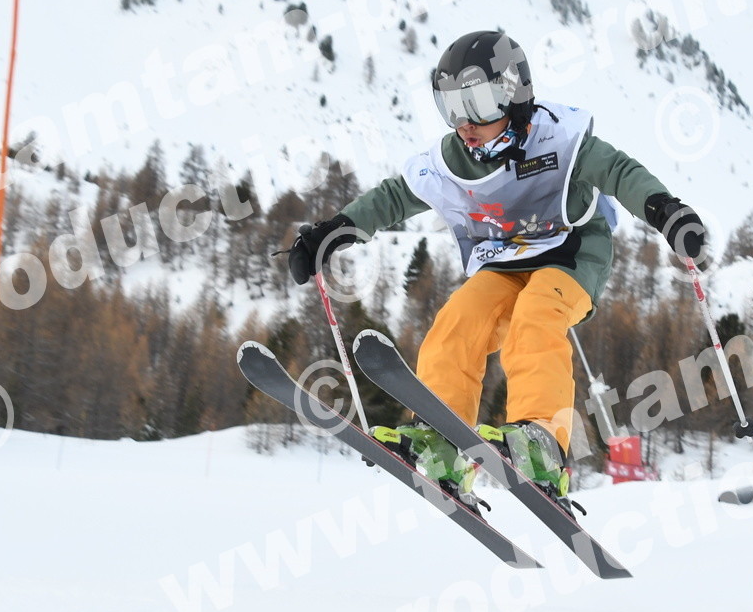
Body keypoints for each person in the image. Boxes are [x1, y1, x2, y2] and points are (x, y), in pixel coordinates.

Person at [287, 30, 706, 508]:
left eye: (479, 104)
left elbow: (618, 171)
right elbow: (395, 197)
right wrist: (334, 232)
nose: (465, 123)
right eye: (452, 107)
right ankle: (442, 440)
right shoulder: (454, 159)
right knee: (459, 319)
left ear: (514, 94)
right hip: (506, 259)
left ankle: (541, 442)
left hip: (570, 254)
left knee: (536, 316)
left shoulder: (558, 139)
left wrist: (664, 210)